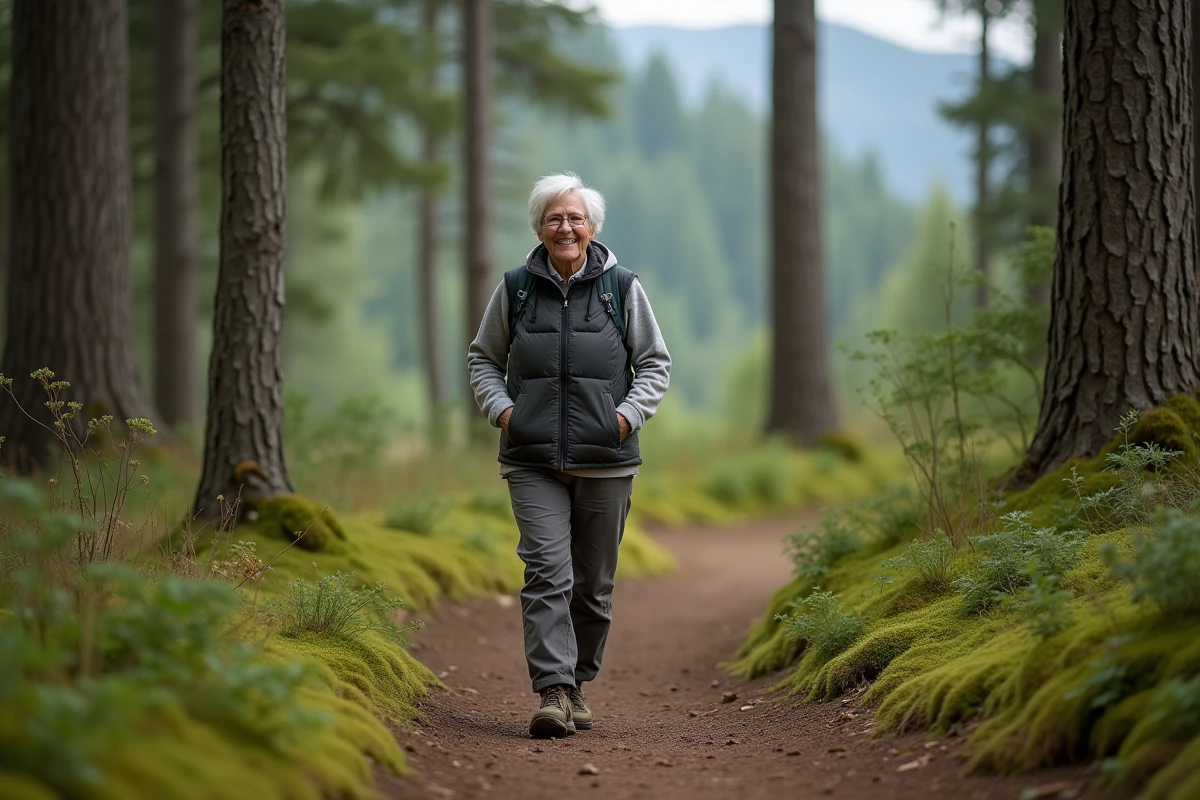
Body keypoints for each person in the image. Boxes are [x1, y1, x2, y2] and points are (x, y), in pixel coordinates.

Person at [467, 172, 671, 739]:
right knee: (546, 572)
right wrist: (505, 412)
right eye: (555, 218)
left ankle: (578, 681)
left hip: (606, 458)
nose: (566, 227)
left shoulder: (620, 287)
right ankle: (554, 691)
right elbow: (483, 358)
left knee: (593, 583)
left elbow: (655, 363)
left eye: (575, 218)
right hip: (531, 460)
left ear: (592, 227)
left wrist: (625, 417)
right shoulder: (516, 290)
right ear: (539, 227)